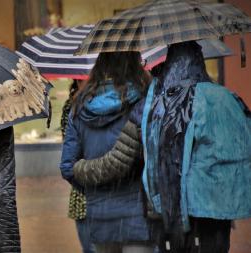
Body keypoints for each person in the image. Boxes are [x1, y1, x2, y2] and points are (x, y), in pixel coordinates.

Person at [141, 41, 251, 253]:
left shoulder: (178, 100)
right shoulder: (226, 96)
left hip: (193, 202)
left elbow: (165, 153)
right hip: (223, 200)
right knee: (218, 246)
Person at [60, 51, 154, 253]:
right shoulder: (145, 101)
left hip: (100, 214)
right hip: (139, 212)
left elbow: (67, 167)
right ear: (134, 65)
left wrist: (95, 189)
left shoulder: (79, 107)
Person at [60, 79, 95, 253]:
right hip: (83, 193)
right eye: (81, 79)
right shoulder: (70, 106)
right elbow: (69, 157)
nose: (85, 81)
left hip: (101, 191)